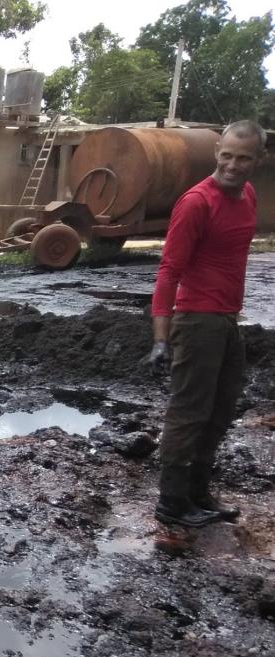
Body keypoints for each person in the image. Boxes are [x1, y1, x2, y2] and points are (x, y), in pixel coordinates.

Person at [145, 120, 265, 529]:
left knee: (221, 409)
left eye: (243, 158)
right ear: (217, 153)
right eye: (227, 155)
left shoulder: (247, 195)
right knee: (189, 412)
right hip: (196, 321)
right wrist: (161, 339)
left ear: (258, 160)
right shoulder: (197, 202)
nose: (233, 165)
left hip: (228, 320)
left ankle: (198, 492)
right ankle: (172, 503)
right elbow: (169, 270)